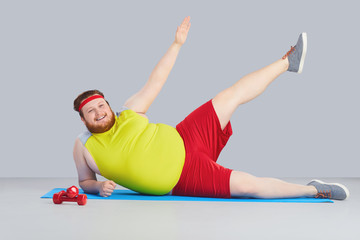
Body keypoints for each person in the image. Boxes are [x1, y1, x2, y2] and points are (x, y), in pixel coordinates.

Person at [72, 16, 349, 200]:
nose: (99, 112)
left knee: (230, 95)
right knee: (248, 186)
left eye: (101, 105)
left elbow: (156, 80)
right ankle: (314, 190)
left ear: (108, 105)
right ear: (84, 120)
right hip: (185, 177)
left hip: (186, 136)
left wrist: (177, 44)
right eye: (91, 112)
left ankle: (288, 62)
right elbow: (85, 182)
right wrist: (97, 186)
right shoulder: (83, 147)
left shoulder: (129, 111)